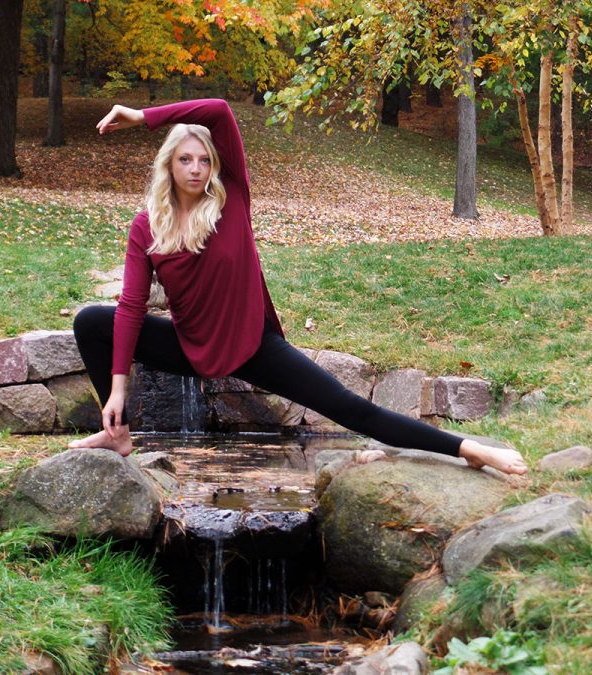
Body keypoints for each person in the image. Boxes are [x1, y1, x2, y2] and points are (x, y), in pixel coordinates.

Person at [69, 98, 527, 476]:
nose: (195, 168)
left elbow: (220, 111)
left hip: (252, 345)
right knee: (92, 322)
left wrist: (141, 117)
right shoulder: (148, 225)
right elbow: (130, 306)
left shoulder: (232, 198)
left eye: (204, 159)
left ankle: (468, 449)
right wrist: (118, 390)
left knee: (351, 409)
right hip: (190, 347)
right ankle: (117, 435)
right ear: (168, 165)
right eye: (184, 159)